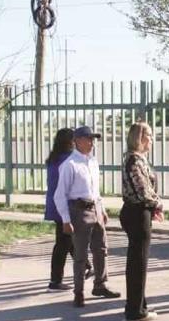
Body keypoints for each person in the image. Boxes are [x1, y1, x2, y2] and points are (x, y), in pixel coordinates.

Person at [54, 126, 121, 308]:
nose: (91, 143)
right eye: (87, 139)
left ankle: (100, 284)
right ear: (77, 141)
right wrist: (66, 220)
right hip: (79, 211)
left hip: (95, 209)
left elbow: (95, 190)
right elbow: (60, 195)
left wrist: (102, 208)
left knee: (101, 249)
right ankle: (79, 292)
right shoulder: (69, 165)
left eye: (92, 139)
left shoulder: (92, 162)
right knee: (81, 254)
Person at [121, 122, 164, 321]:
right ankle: (135, 310)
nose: (152, 140)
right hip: (137, 213)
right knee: (138, 263)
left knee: (138, 262)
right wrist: (158, 204)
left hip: (140, 211)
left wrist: (153, 206)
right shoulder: (134, 160)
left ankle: (139, 305)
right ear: (140, 138)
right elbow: (143, 190)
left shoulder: (138, 159)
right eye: (150, 136)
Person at [44, 128, 92, 290]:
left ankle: (86, 266)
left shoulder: (54, 158)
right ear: (72, 141)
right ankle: (55, 280)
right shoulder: (68, 160)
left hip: (55, 205)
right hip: (65, 205)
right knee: (63, 243)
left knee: (69, 239)